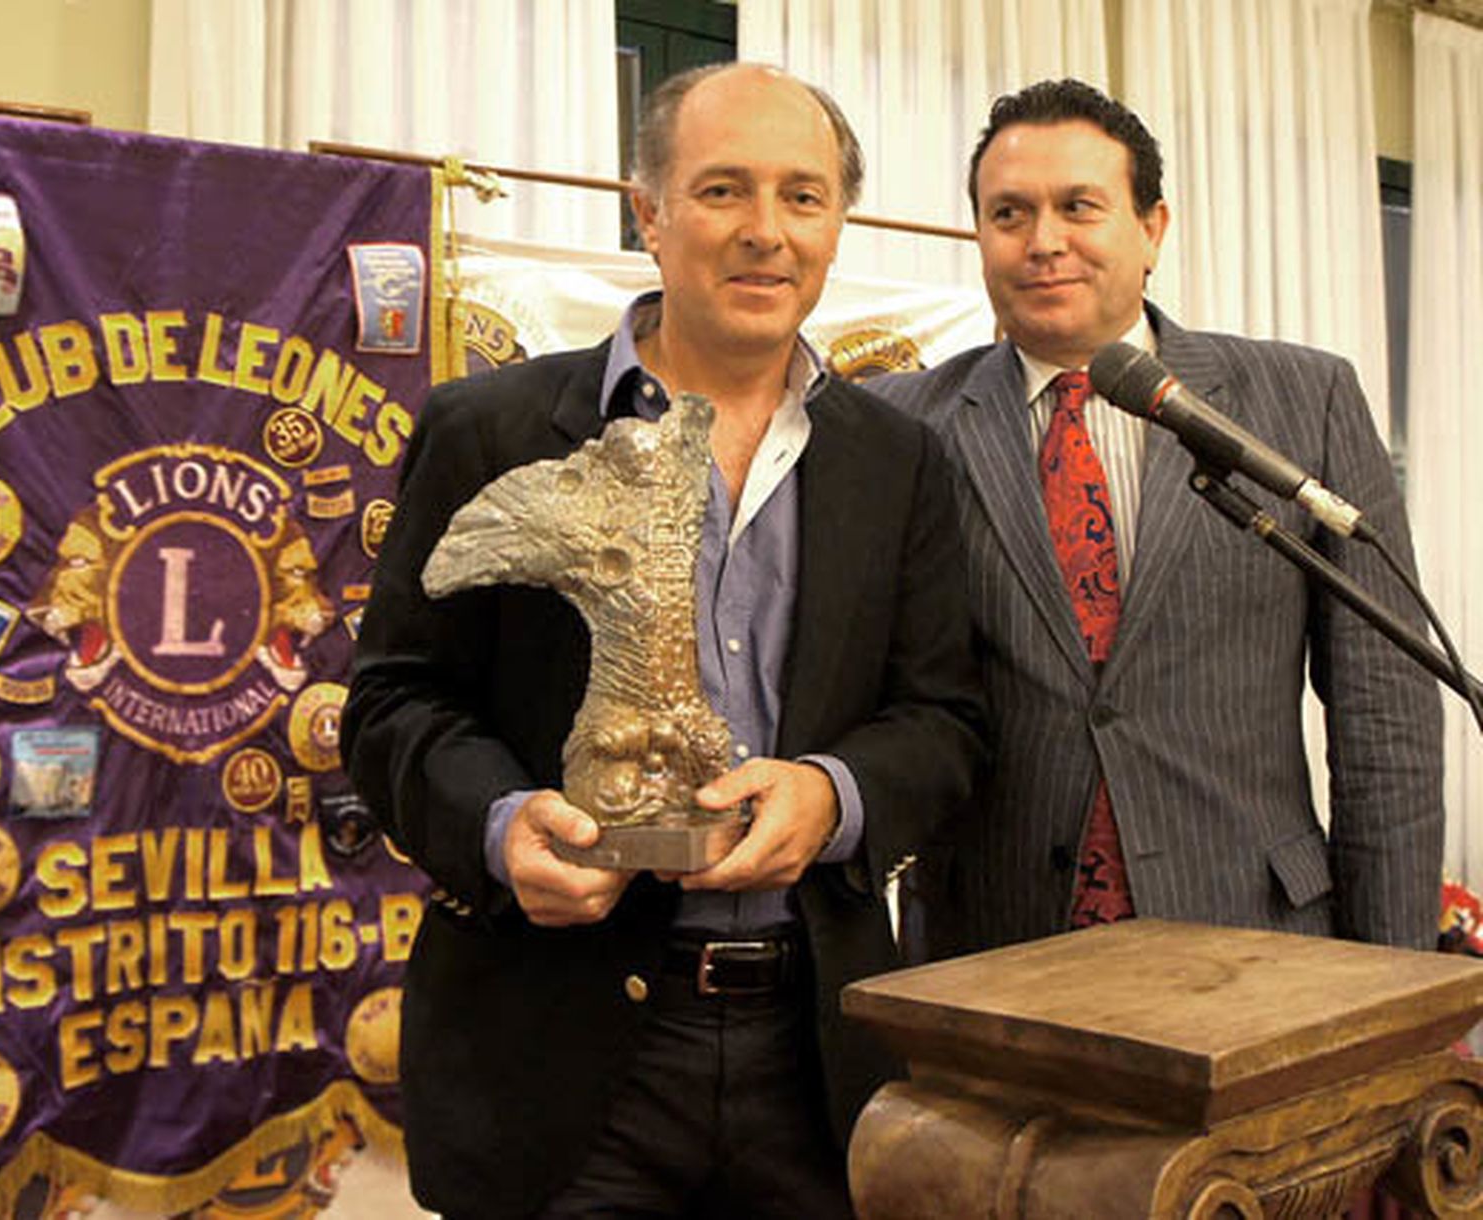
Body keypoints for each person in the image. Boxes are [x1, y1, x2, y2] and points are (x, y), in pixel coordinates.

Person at [342, 62, 987, 1220]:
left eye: (802, 196)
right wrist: (500, 827)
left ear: (839, 220)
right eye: (722, 190)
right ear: (648, 212)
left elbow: (943, 721)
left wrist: (829, 796)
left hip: (818, 1055)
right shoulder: (488, 429)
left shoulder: (899, 463)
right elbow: (393, 702)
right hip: (555, 1056)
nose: (764, 233)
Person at [874, 78, 1443, 959]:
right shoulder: (902, 426)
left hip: (1257, 936)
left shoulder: (1303, 401)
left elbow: (1385, 716)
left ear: (1153, 229)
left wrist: (1396, 981)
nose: (1044, 242)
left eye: (1079, 207)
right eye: (1009, 214)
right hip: (992, 954)